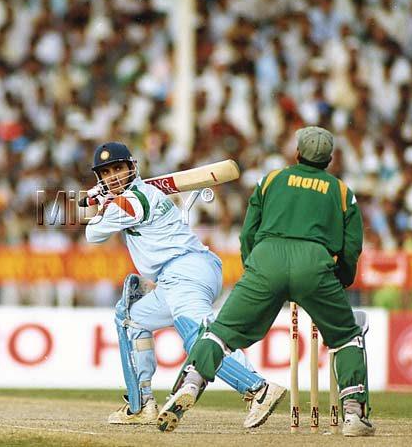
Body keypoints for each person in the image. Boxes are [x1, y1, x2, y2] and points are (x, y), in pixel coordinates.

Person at [157, 126, 375, 437]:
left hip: (266, 259)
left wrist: (254, 268)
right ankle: (354, 414)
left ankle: (190, 383)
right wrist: (339, 280)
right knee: (345, 337)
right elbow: (351, 246)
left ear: (296, 152)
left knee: (220, 333)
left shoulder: (271, 179)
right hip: (315, 264)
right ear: (329, 159)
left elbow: (248, 232)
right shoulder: (342, 191)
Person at [84, 142, 286, 427]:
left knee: (197, 335)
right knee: (131, 319)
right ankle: (141, 404)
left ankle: (258, 389)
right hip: (179, 275)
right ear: (100, 178)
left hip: (186, 271)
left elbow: (93, 234)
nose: (114, 176)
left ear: (132, 167)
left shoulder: (129, 201)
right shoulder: (142, 193)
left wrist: (97, 202)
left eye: (118, 168)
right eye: (106, 173)